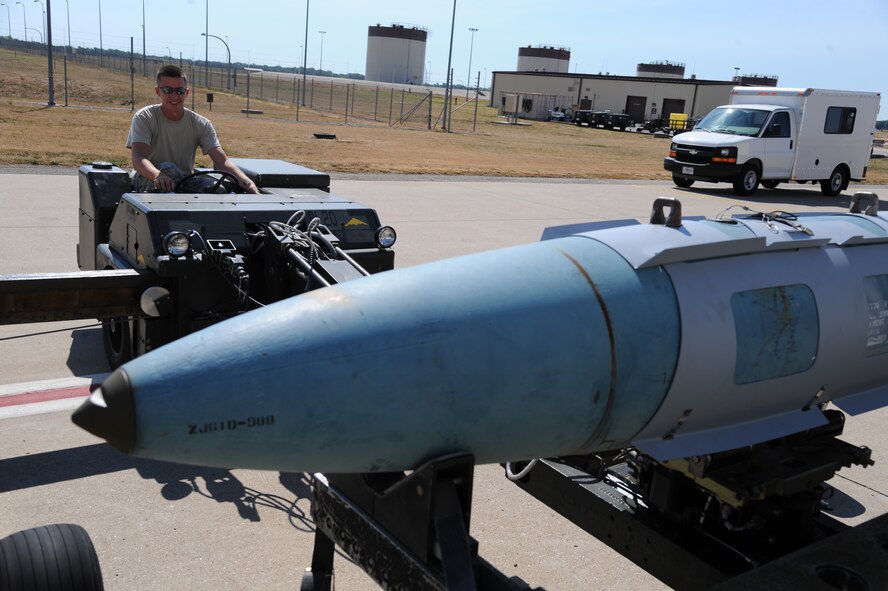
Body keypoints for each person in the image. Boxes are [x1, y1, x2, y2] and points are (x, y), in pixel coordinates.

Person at [127, 64, 259, 194]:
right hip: (149, 177)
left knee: (218, 190)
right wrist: (157, 175)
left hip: (184, 179)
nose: (174, 96)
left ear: (187, 93)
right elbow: (138, 158)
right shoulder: (145, 117)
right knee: (169, 169)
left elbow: (222, 161)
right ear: (158, 91)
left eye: (179, 91)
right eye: (167, 90)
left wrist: (248, 183)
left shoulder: (201, 124)